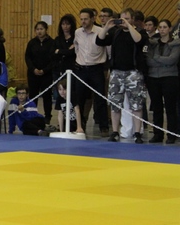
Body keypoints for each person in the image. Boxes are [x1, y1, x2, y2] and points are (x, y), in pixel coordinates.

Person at [96, 8, 148, 143]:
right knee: (115, 103)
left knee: (136, 104)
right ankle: (115, 131)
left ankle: (137, 132)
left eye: (127, 18)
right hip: (116, 71)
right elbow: (99, 41)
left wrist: (129, 26)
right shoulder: (116, 32)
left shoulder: (140, 32)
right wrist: (106, 27)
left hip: (133, 72)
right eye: (121, 19)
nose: (123, 21)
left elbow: (139, 41)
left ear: (133, 19)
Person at [73, 8, 110, 135]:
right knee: (80, 98)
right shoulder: (77, 32)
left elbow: (107, 50)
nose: (83, 21)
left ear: (93, 19)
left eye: (86, 19)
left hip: (96, 68)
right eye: (81, 19)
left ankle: (104, 126)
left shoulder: (100, 31)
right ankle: (80, 124)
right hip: (81, 69)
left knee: (100, 98)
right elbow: (76, 47)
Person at [146, 19, 179, 144]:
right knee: (157, 107)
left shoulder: (176, 43)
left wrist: (156, 58)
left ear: (170, 29)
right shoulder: (152, 43)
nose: (162, 29)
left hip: (170, 77)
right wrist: (162, 60)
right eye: (160, 27)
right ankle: (157, 134)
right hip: (153, 77)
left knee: (170, 107)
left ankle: (171, 134)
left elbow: (172, 60)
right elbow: (148, 60)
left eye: (165, 27)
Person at [25, 21, 55, 123]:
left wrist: (44, 70)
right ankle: (32, 114)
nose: (39, 31)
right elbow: (27, 57)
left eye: (41, 29)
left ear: (46, 30)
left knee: (47, 96)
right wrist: (33, 69)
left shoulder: (52, 43)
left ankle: (48, 116)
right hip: (33, 74)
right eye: (37, 29)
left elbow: (53, 60)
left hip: (46, 74)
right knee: (33, 95)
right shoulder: (32, 43)